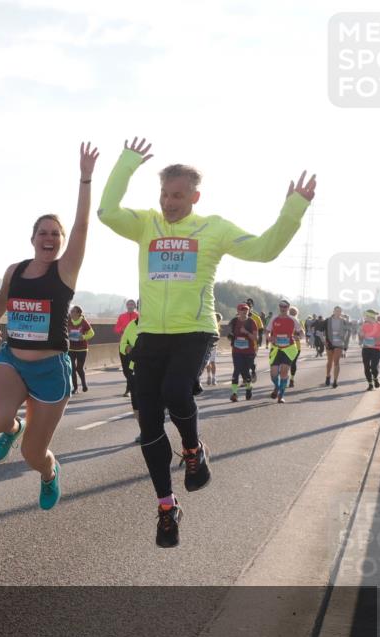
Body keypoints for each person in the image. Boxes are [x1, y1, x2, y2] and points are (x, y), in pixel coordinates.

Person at [98, 135, 315, 547]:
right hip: (151, 335)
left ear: (195, 196)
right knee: (147, 422)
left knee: (176, 391)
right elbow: (107, 211)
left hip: (194, 330)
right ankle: (166, 506)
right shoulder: (146, 224)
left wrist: (293, 209)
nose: (168, 202)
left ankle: (194, 448)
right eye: (164, 194)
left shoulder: (212, 229)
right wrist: (127, 163)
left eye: (177, 195)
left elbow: (264, 250)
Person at [0, 142, 99, 510]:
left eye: (55, 234)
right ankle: (12, 428)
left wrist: (85, 178)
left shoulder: (64, 271)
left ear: (61, 243)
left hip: (50, 369)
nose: (48, 238)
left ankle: (50, 474)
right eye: (42, 233)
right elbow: (2, 297)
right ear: (32, 238)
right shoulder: (15, 270)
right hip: (12, 360)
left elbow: (82, 225)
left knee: (33, 456)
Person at [266, 300, 303, 403]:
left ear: (288, 308)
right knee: (273, 374)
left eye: (285, 307)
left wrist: (298, 336)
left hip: (288, 348)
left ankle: (281, 396)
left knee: (284, 372)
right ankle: (277, 387)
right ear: (279, 307)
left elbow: (301, 332)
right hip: (276, 348)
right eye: (281, 306)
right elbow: (267, 331)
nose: (283, 308)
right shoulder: (274, 319)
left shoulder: (293, 320)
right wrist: (269, 337)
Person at [227, 303, 258, 401]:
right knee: (236, 371)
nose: (244, 311)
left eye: (246, 310)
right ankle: (234, 394)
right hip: (237, 351)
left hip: (249, 352)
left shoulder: (251, 322)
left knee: (245, 372)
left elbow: (255, 338)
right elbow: (229, 334)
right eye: (242, 310)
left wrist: (246, 332)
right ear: (238, 311)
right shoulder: (234, 321)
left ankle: (248, 388)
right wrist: (230, 336)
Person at [119, 316, 142, 441]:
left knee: (152, 401)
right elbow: (122, 344)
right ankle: (144, 431)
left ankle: (154, 430)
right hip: (136, 367)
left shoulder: (157, 322)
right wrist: (128, 348)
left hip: (155, 367)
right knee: (136, 401)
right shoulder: (131, 325)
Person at [316, 306, 348, 387]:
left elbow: (347, 334)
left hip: (339, 343)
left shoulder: (343, 321)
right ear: (333, 311)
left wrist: (345, 347)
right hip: (329, 343)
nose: (338, 312)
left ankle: (335, 381)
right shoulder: (328, 320)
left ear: (341, 312)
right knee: (329, 361)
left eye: (339, 311)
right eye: (336, 311)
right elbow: (318, 331)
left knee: (336, 361)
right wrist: (324, 341)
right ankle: (328, 376)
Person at [66, 306, 95, 393]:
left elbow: (92, 333)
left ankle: (84, 383)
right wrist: (67, 335)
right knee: (72, 368)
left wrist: (84, 337)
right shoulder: (68, 321)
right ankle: (75, 388)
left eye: (73, 311)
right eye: (71, 311)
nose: (71, 313)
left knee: (79, 368)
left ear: (78, 313)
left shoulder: (83, 322)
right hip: (71, 348)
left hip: (82, 348)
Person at [114, 299, 139, 396]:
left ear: (135, 306)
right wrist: (123, 329)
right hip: (123, 344)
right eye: (128, 304)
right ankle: (130, 385)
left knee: (131, 368)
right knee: (125, 369)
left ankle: (130, 388)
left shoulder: (138, 317)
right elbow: (116, 328)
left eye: (132, 304)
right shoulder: (122, 316)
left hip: (134, 347)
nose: (130, 305)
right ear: (126, 305)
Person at [359, 309, 380, 390]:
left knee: (374, 367)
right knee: (366, 367)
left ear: (371, 316)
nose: (365, 317)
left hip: (376, 348)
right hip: (366, 348)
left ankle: (375, 378)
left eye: (366, 316)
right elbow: (361, 335)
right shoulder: (364, 325)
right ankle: (370, 384)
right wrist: (361, 335)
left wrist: (379, 338)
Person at [205, 312, 222, 385]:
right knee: (207, 362)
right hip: (208, 345)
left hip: (213, 346)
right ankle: (209, 376)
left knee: (212, 362)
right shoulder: (209, 324)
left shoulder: (217, 326)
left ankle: (213, 378)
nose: (218, 320)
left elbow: (217, 337)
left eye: (218, 319)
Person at [287, 305, 302, 387]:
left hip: (295, 346)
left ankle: (291, 378)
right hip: (287, 345)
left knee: (290, 363)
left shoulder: (298, 322)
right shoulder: (285, 321)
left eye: (294, 313)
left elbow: (302, 333)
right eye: (291, 312)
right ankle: (291, 379)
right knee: (292, 363)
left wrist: (297, 336)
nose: (292, 314)